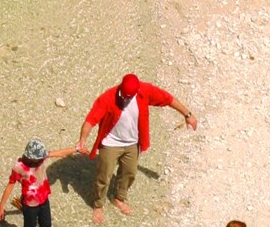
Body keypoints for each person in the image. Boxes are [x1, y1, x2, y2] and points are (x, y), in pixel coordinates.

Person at [76, 73, 198, 224]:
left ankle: (119, 198)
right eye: (122, 95)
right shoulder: (108, 97)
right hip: (110, 143)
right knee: (104, 176)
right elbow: (91, 119)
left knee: (129, 173)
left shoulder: (144, 91)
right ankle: (98, 205)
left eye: (128, 97)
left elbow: (168, 99)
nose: (124, 99)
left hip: (132, 143)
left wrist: (188, 114)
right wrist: (83, 139)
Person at [0, 138, 77, 226]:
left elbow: (59, 153)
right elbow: (10, 185)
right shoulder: (19, 167)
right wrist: (1, 206)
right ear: (32, 158)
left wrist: (77, 149)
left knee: (46, 224)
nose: (42, 159)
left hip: (44, 200)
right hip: (29, 205)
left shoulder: (41, 158)